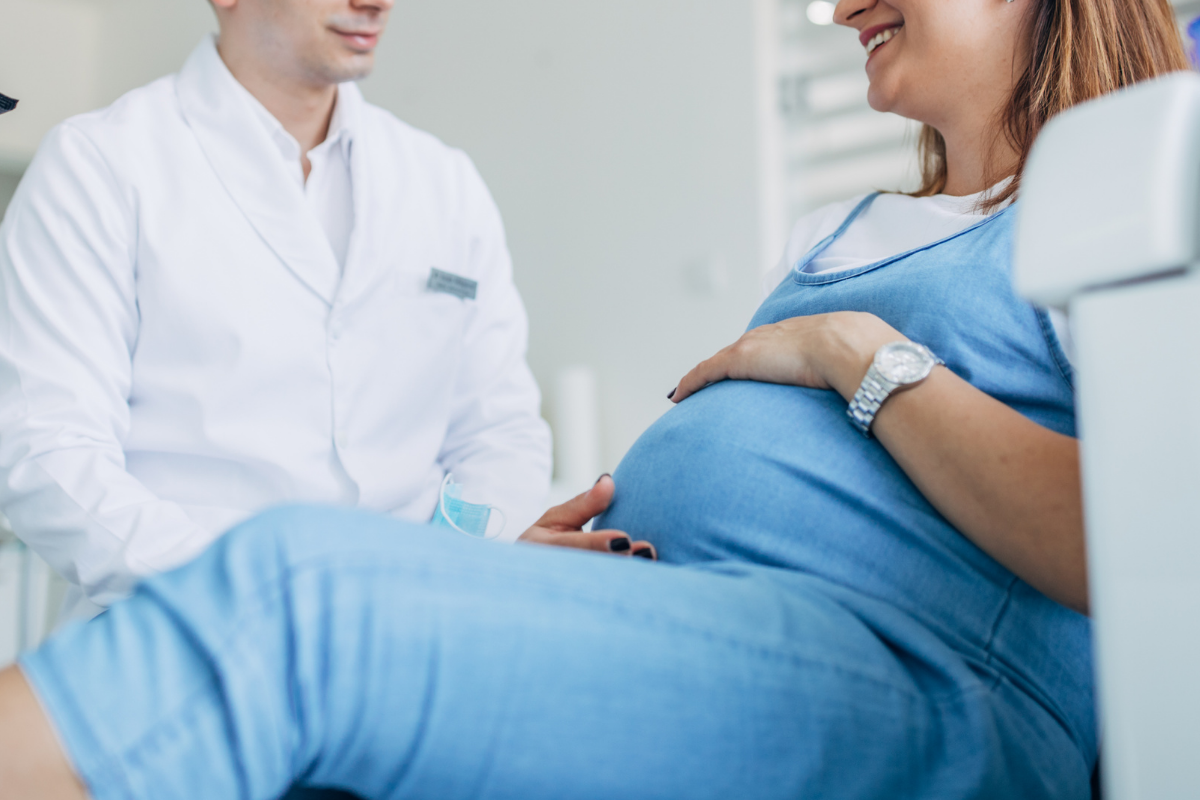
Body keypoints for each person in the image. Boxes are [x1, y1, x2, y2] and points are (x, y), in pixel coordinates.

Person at [0, 0, 1190, 796]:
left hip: (913, 674)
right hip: (694, 618)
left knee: (300, 597)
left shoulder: (1130, 198)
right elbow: (45, 450)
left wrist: (853, 352)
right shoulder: (108, 165)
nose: (835, 9)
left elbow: (1147, 543)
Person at [0, 0, 555, 621]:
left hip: (418, 630)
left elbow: (498, 431)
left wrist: (455, 573)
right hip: (184, 628)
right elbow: (49, 451)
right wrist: (277, 598)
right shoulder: (99, 166)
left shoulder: (444, 182)